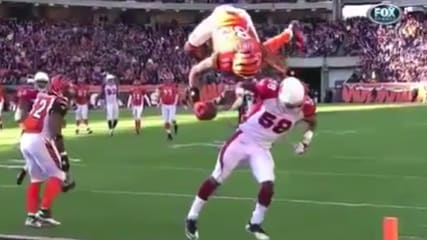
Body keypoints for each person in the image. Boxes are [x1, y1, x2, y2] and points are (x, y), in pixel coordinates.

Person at [185, 77, 317, 240]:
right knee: (216, 179)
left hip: (262, 147)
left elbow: (312, 121)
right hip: (243, 138)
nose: (290, 108)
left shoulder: (306, 105)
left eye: (293, 106)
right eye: (288, 105)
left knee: (268, 186)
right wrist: (240, 90)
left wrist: (305, 141)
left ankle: (255, 223)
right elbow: (242, 85)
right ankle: (192, 217)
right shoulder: (269, 90)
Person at [184, 5, 303, 101]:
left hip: (242, 18)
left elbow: (272, 55)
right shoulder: (223, 56)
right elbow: (195, 70)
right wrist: (195, 95)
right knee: (189, 48)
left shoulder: (257, 51)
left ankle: (290, 32)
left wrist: (289, 33)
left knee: (262, 48)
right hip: (220, 18)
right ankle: (290, 32)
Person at [20, 71, 73, 228]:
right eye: (67, 88)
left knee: (36, 179)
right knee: (59, 174)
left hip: (26, 138)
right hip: (40, 139)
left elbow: (35, 118)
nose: (70, 91)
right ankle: (43, 212)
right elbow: (54, 129)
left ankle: (31, 217)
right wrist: (63, 154)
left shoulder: (42, 96)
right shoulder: (59, 101)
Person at [158, 74, 179, 141]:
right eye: (166, 79)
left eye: (168, 79)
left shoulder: (173, 87)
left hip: (171, 105)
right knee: (166, 121)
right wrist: (160, 102)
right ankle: (169, 134)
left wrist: (175, 102)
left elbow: (177, 94)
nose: (167, 81)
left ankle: (175, 124)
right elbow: (161, 95)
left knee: (171, 120)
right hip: (164, 105)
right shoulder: (162, 87)